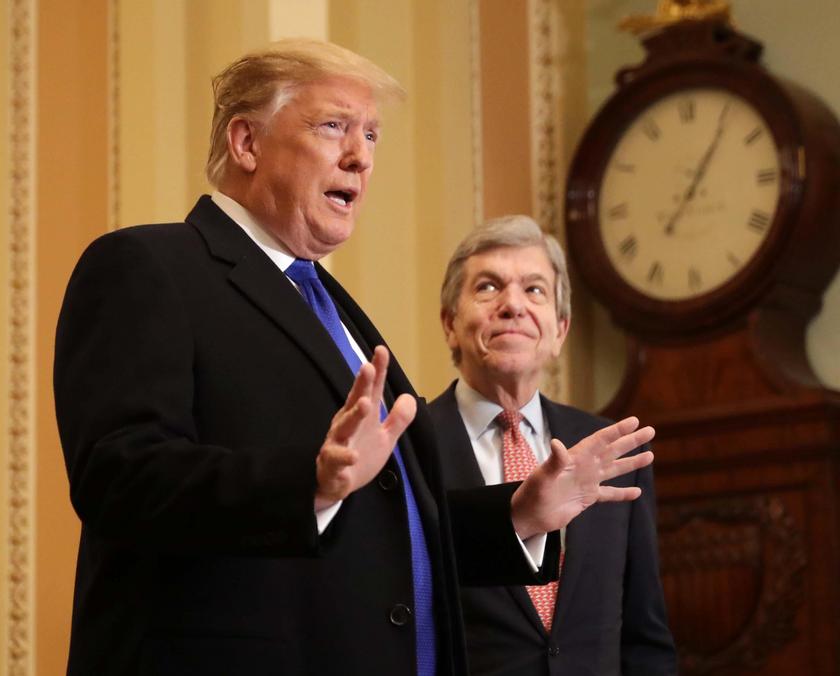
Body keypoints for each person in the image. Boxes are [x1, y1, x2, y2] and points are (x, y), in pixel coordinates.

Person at [54, 39, 653, 676]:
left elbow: (390, 527)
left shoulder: (335, 309)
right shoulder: (148, 268)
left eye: (371, 136)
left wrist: (517, 515)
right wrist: (309, 482)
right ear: (246, 143)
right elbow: (119, 478)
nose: (360, 156)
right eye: (334, 126)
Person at [427, 215, 677, 675]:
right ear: (449, 323)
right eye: (487, 287)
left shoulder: (612, 452)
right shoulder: (409, 448)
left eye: (535, 290)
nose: (513, 306)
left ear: (560, 330)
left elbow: (645, 636)